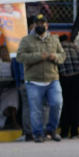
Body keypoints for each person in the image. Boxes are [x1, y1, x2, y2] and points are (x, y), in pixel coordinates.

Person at [16, 14, 65, 143]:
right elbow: (20, 57)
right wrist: (39, 56)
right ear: (33, 25)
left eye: (42, 23)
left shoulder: (54, 39)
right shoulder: (26, 40)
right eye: (37, 23)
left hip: (52, 79)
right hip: (33, 81)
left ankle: (51, 130)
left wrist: (55, 57)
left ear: (47, 25)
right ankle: (38, 134)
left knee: (57, 103)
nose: (40, 26)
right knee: (35, 109)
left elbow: (62, 55)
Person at [58, 33, 79, 138]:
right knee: (75, 105)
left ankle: (64, 132)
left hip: (64, 78)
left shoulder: (58, 48)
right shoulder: (75, 47)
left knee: (65, 105)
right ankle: (74, 132)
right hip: (77, 78)